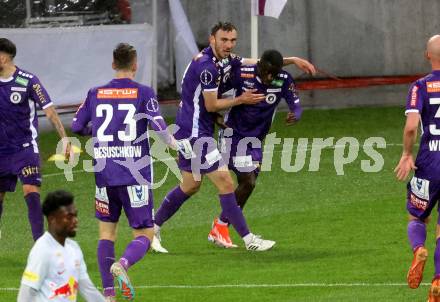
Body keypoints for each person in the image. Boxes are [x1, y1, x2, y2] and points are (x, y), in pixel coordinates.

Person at [152, 22, 279, 253]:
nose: (229, 45)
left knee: (190, 185)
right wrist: (242, 100)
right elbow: (211, 105)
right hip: (194, 134)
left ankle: (152, 228)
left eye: (232, 40)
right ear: (212, 39)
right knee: (226, 182)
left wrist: (290, 60)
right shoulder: (207, 67)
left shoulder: (221, 59)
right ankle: (248, 239)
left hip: (188, 129)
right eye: (224, 40)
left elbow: (252, 62)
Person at [71, 42, 178, 301]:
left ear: (112, 64)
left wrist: (93, 133)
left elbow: (76, 125)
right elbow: (159, 125)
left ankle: (108, 294)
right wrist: (175, 145)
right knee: (145, 233)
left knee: (106, 233)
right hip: (134, 175)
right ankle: (124, 264)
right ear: (135, 64)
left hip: (104, 174)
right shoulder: (143, 92)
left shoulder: (95, 92)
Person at [207, 49, 303, 247]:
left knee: (247, 184)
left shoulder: (283, 79)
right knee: (248, 181)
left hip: (256, 140)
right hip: (233, 135)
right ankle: (235, 233)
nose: (269, 77)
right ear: (259, 65)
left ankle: (221, 225)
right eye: (266, 71)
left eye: (273, 73)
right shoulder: (242, 74)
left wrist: (296, 113)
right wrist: (214, 116)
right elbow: (213, 94)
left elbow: (296, 104)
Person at [0, 38, 70, 241]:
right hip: (1, 151)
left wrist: (64, 140)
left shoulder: (29, 80)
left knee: (31, 192)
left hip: (25, 149)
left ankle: (40, 244)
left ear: (4, 57)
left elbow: (50, 112)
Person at [394, 34, 440, 301]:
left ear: (427, 56)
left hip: (430, 162)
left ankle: (418, 249)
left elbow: (412, 126)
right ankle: (437, 281)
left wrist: (406, 153)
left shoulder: (420, 86)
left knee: (418, 217)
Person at [17, 190, 105, 302]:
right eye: (69, 217)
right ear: (52, 219)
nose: (75, 221)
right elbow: (25, 295)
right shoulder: (42, 250)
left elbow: (88, 289)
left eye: (75, 215)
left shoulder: (74, 248)